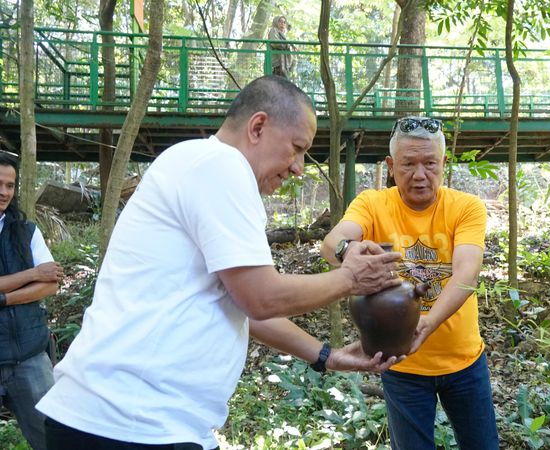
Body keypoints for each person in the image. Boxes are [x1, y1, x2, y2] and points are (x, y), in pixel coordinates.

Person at [36, 76, 402, 450]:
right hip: (129, 422)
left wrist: (328, 356)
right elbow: (261, 298)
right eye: (296, 148)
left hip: (139, 422)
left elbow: (245, 303)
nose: (298, 168)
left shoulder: (200, 163)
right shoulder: (220, 165)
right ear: (257, 126)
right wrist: (350, 278)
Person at [321, 116, 499, 450]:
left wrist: (429, 322)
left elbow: (467, 273)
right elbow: (332, 244)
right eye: (408, 164)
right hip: (401, 364)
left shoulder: (466, 207)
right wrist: (350, 251)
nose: (420, 175)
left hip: (465, 362)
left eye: (430, 163)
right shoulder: (372, 204)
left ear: (443, 163)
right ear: (390, 165)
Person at [0, 152, 64, 450]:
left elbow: (50, 285)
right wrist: (33, 273)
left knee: (53, 438)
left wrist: (5, 298)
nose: (4, 192)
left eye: (10, 186)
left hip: (29, 356)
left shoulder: (26, 231)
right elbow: (41, 275)